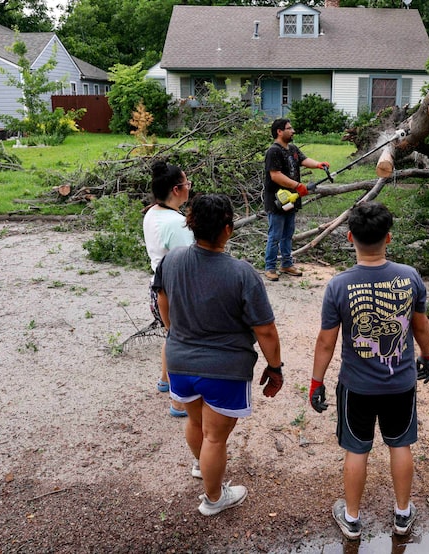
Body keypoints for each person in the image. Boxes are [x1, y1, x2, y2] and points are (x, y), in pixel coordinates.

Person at [308, 201, 429, 539]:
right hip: (401, 384)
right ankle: (403, 514)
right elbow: (421, 326)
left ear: (350, 237)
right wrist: (428, 356)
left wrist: (316, 382)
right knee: (400, 445)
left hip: (357, 386)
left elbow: (325, 342)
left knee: (357, 449)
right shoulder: (410, 277)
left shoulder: (338, 285)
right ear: (388, 238)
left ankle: (351, 519)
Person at [152, 193, 284, 516]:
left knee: (196, 422)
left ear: (190, 223)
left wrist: (177, 335)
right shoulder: (242, 274)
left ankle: (203, 468)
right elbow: (265, 330)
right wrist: (275, 367)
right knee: (214, 437)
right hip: (224, 370)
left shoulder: (171, 261)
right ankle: (213, 498)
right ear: (228, 228)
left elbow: (162, 303)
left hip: (180, 362)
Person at [143, 160, 194, 418]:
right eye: (187, 184)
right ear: (176, 189)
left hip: (157, 287)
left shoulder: (152, 212)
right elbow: (190, 264)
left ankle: (165, 380)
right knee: (182, 344)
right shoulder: (176, 224)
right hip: (175, 293)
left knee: (171, 336)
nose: (189, 187)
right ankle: (179, 400)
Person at [263, 118, 330, 282]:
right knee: (275, 235)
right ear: (279, 131)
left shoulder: (292, 148)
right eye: (289, 128)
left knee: (288, 234)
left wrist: (318, 165)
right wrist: (298, 185)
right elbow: (275, 175)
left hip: (292, 200)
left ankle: (286, 264)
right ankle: (270, 267)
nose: (292, 131)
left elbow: (303, 160)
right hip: (277, 200)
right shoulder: (274, 151)